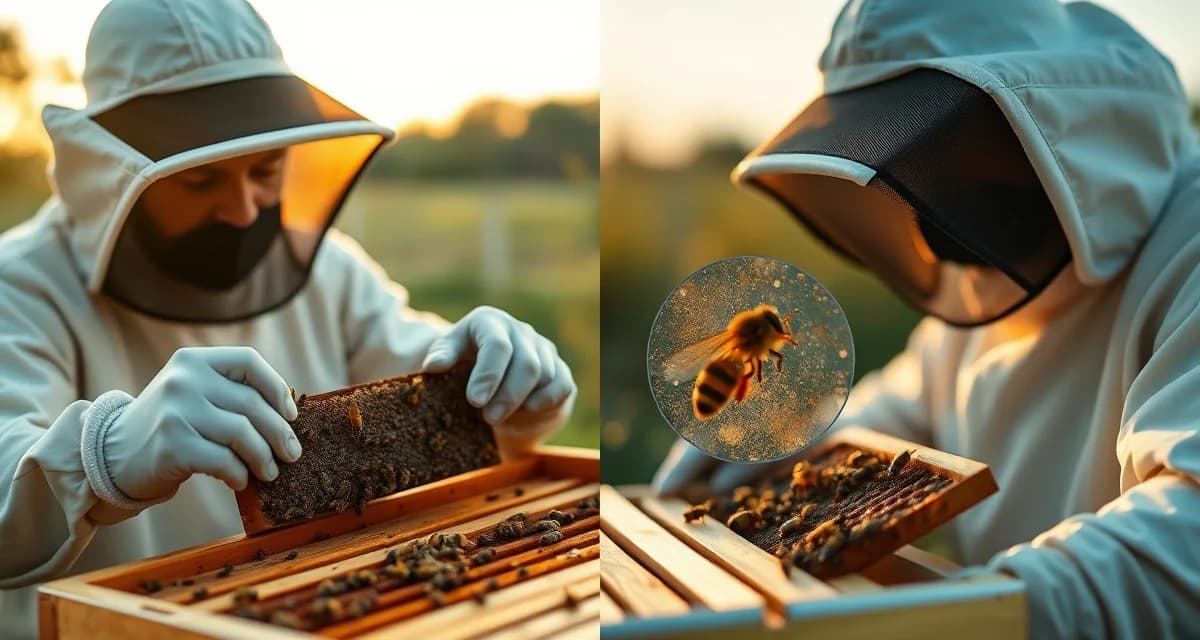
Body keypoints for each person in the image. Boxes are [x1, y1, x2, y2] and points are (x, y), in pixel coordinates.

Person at [0, 0, 576, 636]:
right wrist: (105, 455)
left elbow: (436, 399)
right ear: (116, 174)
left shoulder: (329, 271)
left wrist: (511, 387)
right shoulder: (20, 285)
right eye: (200, 181)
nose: (246, 212)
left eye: (266, 170)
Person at [654, 0, 1200, 637]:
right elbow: (914, 401)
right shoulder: (985, 283)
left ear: (1052, 125)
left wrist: (968, 617)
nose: (927, 211)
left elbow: (1185, 542)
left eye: (940, 159)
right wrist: (790, 447)